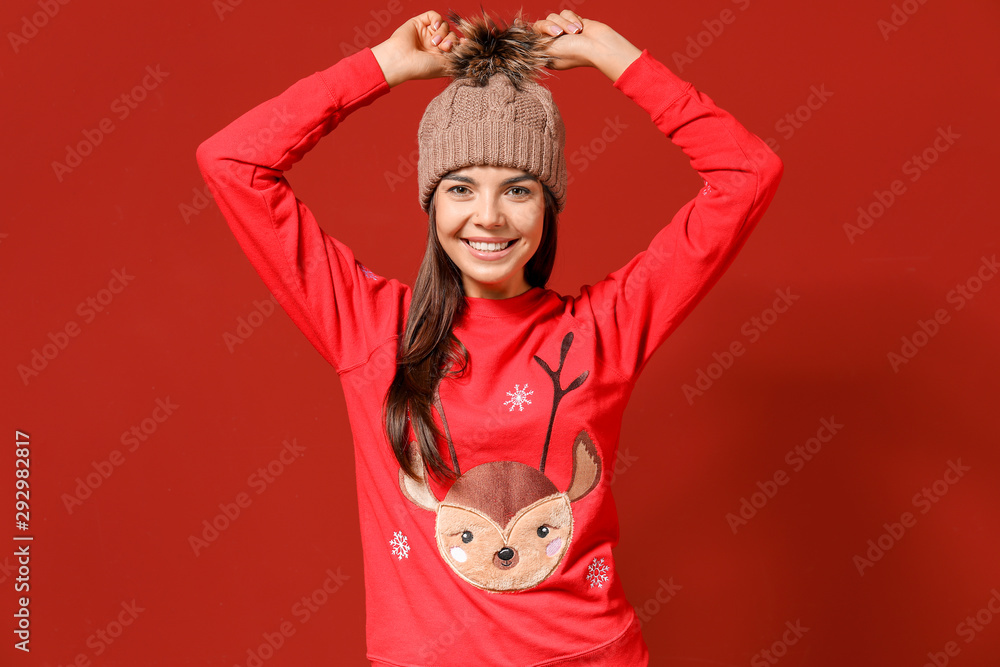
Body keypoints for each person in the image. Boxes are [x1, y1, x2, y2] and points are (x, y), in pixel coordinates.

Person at [196, 7, 782, 665]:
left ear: (547, 204)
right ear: (432, 201)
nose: (489, 216)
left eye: (519, 189)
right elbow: (233, 161)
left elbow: (747, 174)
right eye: (461, 187)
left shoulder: (604, 327)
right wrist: (384, 67)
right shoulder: (368, 324)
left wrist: (618, 57)